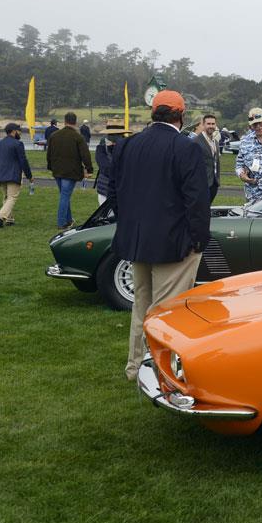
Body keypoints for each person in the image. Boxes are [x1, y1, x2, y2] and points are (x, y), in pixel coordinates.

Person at [107, 90, 210, 382]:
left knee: (142, 304)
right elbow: (197, 200)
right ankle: (162, 373)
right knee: (167, 312)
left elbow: (113, 192)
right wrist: (199, 238)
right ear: (181, 114)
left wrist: (129, 222)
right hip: (173, 242)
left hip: (138, 239)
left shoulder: (128, 145)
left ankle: (136, 366)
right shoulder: (185, 147)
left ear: (154, 112)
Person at [46, 111, 93, 229]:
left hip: (57, 170)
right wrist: (89, 169)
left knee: (64, 195)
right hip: (71, 171)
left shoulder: (54, 135)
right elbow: (85, 155)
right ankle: (61, 222)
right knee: (65, 196)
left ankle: (68, 220)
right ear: (75, 122)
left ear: (65, 121)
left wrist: (50, 166)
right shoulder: (78, 137)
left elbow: (49, 153)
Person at [0, 123, 32, 228]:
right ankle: (0, 217)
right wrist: (29, 175)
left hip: (0, 174)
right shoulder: (18, 144)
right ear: (14, 131)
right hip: (13, 174)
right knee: (12, 197)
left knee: (6, 197)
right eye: (19, 131)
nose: (20, 133)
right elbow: (23, 161)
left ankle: (9, 219)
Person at [94, 119, 130, 205]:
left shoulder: (128, 146)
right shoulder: (102, 148)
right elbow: (105, 168)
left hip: (123, 188)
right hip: (106, 188)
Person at [192, 113, 221, 203]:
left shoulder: (215, 142)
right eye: (208, 124)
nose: (211, 126)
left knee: (207, 209)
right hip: (202, 184)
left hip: (214, 183)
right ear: (203, 125)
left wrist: (217, 180)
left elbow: (216, 162)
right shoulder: (196, 141)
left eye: (213, 124)